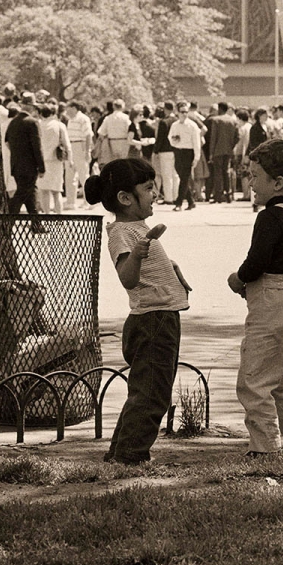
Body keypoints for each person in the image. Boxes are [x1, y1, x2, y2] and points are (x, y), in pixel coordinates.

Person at [85, 157, 192, 466]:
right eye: (148, 188)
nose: (155, 193)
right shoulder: (123, 232)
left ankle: (119, 452)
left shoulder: (137, 228)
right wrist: (139, 253)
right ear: (125, 198)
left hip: (160, 317)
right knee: (152, 394)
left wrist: (171, 267)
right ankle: (131, 456)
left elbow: (148, 269)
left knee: (146, 390)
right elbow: (127, 277)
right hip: (152, 321)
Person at [226, 138, 283, 457]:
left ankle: (264, 447)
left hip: (272, 313)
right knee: (282, 381)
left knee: (255, 383)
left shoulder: (269, 216)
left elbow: (257, 261)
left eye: (254, 176)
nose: (249, 183)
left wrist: (238, 278)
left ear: (277, 182)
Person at [4, 104, 46, 230]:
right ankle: (6, 221)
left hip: (16, 165)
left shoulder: (13, 122)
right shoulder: (32, 123)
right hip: (29, 166)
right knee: (22, 193)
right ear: (32, 109)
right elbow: (37, 147)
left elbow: (7, 142)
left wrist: (17, 154)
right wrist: (41, 166)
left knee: (30, 193)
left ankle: (36, 224)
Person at [36, 103, 71, 214]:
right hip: (56, 161)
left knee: (44, 191)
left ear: (41, 113)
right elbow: (67, 145)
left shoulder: (37, 125)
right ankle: (59, 216)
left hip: (41, 161)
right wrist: (70, 159)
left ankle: (47, 215)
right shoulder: (60, 125)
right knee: (57, 191)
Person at [168, 102, 203, 211]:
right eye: (182, 112)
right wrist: (174, 140)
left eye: (186, 112)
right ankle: (191, 201)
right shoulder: (175, 125)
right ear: (177, 112)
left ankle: (178, 203)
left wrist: (196, 157)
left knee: (184, 178)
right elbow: (170, 138)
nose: (184, 114)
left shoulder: (192, 125)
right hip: (178, 152)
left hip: (189, 152)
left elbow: (197, 142)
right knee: (183, 177)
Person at [206, 101, 240, 203]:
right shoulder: (233, 121)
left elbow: (213, 138)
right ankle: (228, 194)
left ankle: (218, 195)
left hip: (217, 150)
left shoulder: (216, 120)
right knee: (226, 172)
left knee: (218, 173)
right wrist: (231, 146)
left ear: (220, 109)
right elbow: (237, 137)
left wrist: (211, 153)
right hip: (228, 151)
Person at [63, 101, 93, 210]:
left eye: (68, 108)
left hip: (80, 145)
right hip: (71, 147)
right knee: (70, 176)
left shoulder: (83, 118)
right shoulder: (70, 119)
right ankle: (71, 202)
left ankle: (88, 202)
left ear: (74, 108)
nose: (66, 111)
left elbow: (88, 135)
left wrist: (87, 151)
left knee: (83, 176)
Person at [152, 102, 179, 205]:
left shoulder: (164, 122)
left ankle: (168, 198)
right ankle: (176, 196)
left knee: (166, 175)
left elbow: (160, 138)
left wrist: (155, 151)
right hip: (175, 150)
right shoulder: (177, 121)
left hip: (165, 151)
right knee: (175, 175)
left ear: (165, 109)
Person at [95, 98, 132, 166]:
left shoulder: (108, 118)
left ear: (113, 107)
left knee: (114, 164)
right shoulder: (126, 118)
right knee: (124, 163)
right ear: (122, 107)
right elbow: (130, 130)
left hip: (112, 142)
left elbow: (101, 133)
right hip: (124, 142)